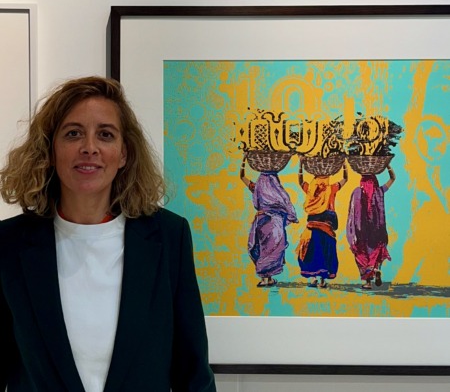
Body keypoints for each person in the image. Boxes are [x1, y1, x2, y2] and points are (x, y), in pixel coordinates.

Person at [0, 76, 216, 392]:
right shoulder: (8, 244)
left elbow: (193, 373)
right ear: (50, 150)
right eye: (73, 133)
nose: (89, 148)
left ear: (123, 153)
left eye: (105, 134)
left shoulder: (169, 237)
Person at [239, 151, 298, 288]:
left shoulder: (258, 187)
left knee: (262, 248)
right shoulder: (278, 191)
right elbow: (287, 203)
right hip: (275, 223)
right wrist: (291, 216)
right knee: (273, 249)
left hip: (261, 220)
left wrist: (244, 159)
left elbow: (242, 176)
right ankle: (268, 277)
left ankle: (265, 278)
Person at [295, 155, 348, 288]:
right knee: (325, 252)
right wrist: (344, 164)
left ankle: (313, 279)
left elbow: (300, 181)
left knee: (312, 252)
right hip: (326, 228)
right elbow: (345, 179)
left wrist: (301, 164)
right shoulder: (331, 189)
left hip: (312, 229)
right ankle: (323, 280)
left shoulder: (310, 190)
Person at [346, 164, 396, 290]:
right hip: (377, 229)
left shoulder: (358, 193)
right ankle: (377, 269)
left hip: (362, 230)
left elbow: (352, 213)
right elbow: (393, 178)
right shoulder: (379, 191)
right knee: (376, 251)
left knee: (362, 253)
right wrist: (387, 166)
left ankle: (368, 282)